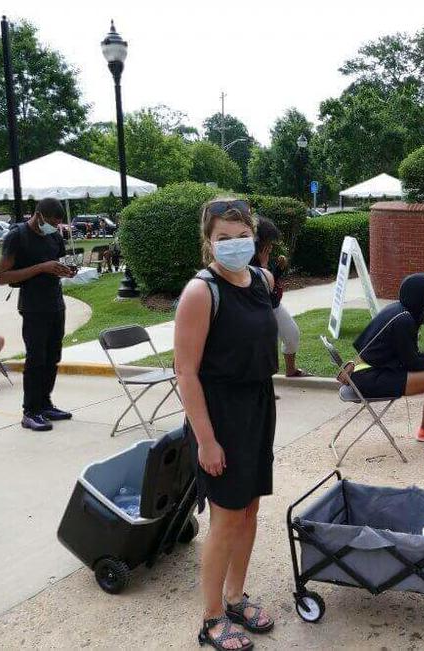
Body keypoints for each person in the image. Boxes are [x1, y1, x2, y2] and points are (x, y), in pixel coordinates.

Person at [174, 198, 276, 651]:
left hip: (257, 406)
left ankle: (235, 597)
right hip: (220, 415)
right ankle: (212, 618)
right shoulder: (201, 292)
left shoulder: (262, 279)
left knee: (250, 509)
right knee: (226, 518)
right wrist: (207, 440)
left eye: (241, 236)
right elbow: (186, 373)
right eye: (223, 238)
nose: (234, 245)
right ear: (208, 241)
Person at [349, 273, 424, 464]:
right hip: (369, 378)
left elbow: (411, 357)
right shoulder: (403, 320)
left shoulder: (400, 312)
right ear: (421, 299)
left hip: (368, 372)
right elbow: (412, 364)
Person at [0, 198, 76, 432]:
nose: (54, 227)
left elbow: (55, 264)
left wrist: (65, 271)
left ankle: (45, 403)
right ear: (38, 215)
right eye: (51, 222)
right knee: (36, 358)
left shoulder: (54, 237)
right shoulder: (17, 236)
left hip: (55, 303)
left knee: (53, 356)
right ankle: (30, 411)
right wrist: (41, 268)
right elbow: (2, 277)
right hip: (33, 306)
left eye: (58, 224)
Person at [251, 217, 307, 378]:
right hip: (259, 309)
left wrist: (277, 269)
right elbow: (257, 285)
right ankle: (261, 386)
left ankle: (291, 370)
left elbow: (269, 281)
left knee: (291, 334)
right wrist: (263, 265)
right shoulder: (247, 262)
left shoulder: (261, 258)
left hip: (273, 305)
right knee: (263, 347)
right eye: (268, 244)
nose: (270, 246)